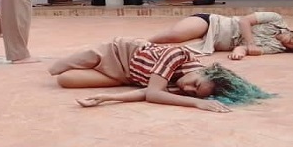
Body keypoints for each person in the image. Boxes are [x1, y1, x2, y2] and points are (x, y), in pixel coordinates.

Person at [48, 37, 273, 112]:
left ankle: (97, 77)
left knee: (65, 80)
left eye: (195, 94)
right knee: (56, 69)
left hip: (124, 77)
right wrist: (196, 104)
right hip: (116, 52)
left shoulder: (184, 86)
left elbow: (146, 93)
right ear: (203, 70)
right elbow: (155, 94)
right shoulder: (179, 55)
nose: (188, 89)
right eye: (196, 84)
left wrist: (108, 98)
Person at [147, 12, 293, 60]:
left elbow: (247, 49)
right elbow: (244, 21)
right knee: (174, 36)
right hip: (213, 23)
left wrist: (240, 51)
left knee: (175, 51)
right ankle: (141, 43)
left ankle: (146, 48)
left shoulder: (275, 48)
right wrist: (251, 43)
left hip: (215, 42)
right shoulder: (275, 19)